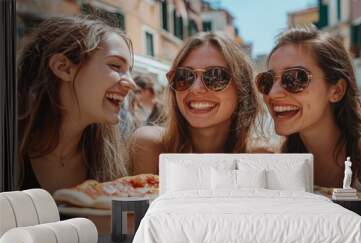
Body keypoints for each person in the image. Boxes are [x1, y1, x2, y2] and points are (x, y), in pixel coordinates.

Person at [255, 26, 361, 209]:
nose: (273, 93)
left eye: (295, 78)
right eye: (267, 81)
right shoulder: (279, 160)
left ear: (336, 90)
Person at [18, 16, 136, 193]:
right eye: (115, 66)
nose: (132, 84)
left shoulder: (112, 158)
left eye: (129, 72)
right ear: (63, 67)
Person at [130, 32, 268, 175]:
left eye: (216, 76)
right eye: (184, 76)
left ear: (241, 87)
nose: (195, 88)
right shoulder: (151, 145)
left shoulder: (261, 157)